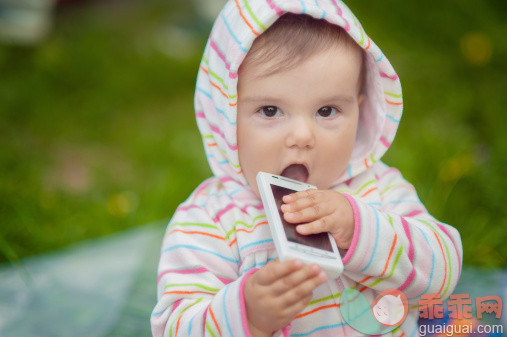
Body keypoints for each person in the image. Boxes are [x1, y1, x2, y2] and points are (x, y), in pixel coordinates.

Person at [151, 1, 463, 336]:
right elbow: (175, 326)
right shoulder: (210, 221)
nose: (302, 136)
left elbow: (442, 274)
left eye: (327, 111)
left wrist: (359, 229)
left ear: (359, 112)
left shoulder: (379, 188)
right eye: (270, 111)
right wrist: (247, 314)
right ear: (226, 116)